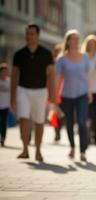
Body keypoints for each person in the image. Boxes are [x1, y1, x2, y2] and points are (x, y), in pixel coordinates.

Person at [11, 24, 56, 162]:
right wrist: (12, 96)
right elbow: (14, 76)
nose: (29, 36)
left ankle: (38, 151)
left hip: (40, 91)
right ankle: (25, 149)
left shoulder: (46, 53)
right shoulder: (19, 54)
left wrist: (52, 95)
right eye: (27, 33)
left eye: (31, 34)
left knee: (39, 121)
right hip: (22, 90)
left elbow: (51, 75)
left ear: (37, 35)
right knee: (23, 119)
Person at [56, 29, 92, 162]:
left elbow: (87, 76)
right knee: (69, 123)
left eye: (78, 39)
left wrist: (89, 92)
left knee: (82, 122)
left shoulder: (85, 57)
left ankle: (82, 151)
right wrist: (55, 96)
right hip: (66, 95)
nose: (76, 41)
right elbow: (58, 78)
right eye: (73, 38)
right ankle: (72, 146)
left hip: (82, 94)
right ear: (68, 41)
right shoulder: (61, 59)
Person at [0, 63, 10, 147]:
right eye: (3, 71)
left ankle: (3, 138)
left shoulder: (9, 81)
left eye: (6, 71)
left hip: (6, 105)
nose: (5, 73)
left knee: (3, 122)